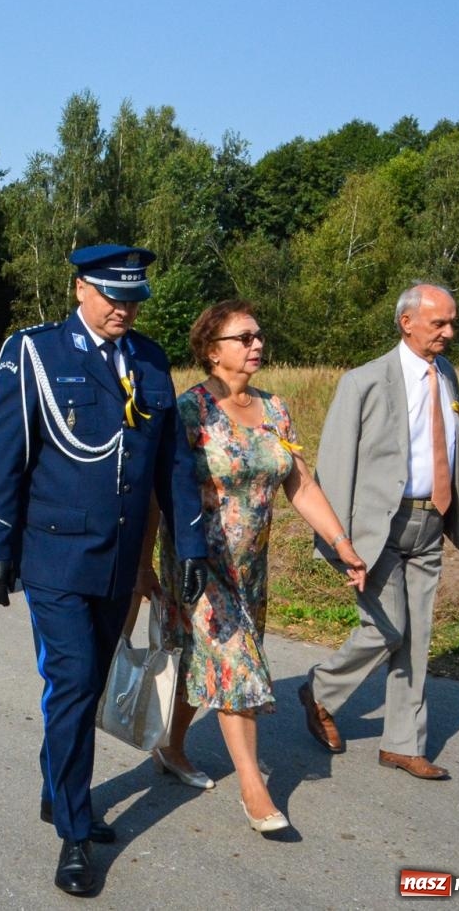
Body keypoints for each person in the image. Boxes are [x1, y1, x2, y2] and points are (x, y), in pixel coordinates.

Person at [0, 244, 209, 897]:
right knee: (73, 676)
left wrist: (189, 545)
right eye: (112, 294)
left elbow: (174, 466)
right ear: (80, 287)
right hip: (55, 554)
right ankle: (75, 833)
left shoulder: (152, 360)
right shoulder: (36, 353)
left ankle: (57, 786)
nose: (124, 307)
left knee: (88, 682)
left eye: (134, 297)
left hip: (121, 562)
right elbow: (5, 453)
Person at [149, 301, 367, 834]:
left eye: (259, 336)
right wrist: (141, 570)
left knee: (207, 666)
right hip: (199, 564)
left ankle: (172, 747)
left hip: (252, 567)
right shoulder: (189, 411)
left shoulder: (277, 410)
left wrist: (340, 542)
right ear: (211, 349)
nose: (257, 345)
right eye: (244, 337)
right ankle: (255, 788)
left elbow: (301, 484)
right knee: (235, 668)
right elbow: (160, 495)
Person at [296, 284, 459, 781]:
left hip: (431, 520)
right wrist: (336, 542)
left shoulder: (448, 377)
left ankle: (402, 743)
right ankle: (321, 690)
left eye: (452, 322)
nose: (449, 333)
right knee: (386, 627)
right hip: (378, 527)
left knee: (416, 636)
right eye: (439, 324)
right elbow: (333, 465)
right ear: (407, 322)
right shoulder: (364, 381)